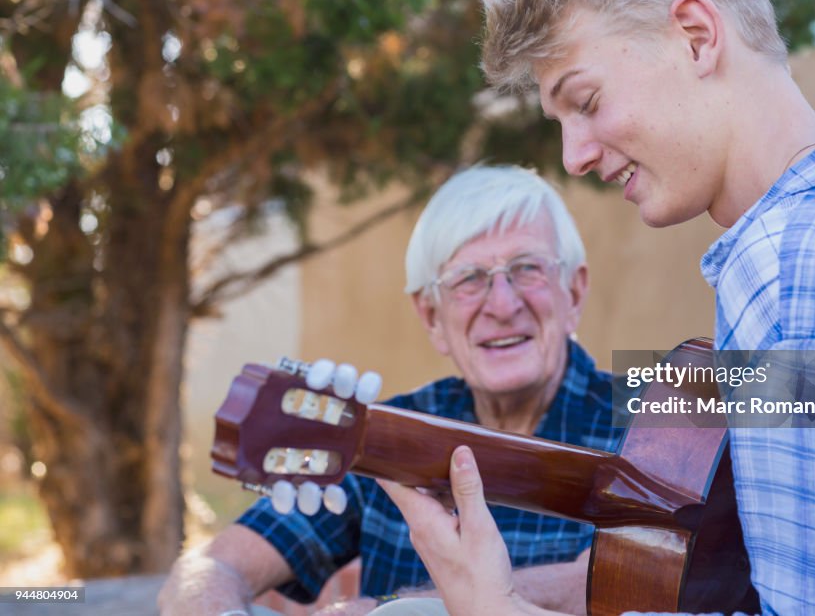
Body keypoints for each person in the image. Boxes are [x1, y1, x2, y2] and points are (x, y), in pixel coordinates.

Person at [379, 0, 815, 615]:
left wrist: (496, 607)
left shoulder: (790, 279)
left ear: (695, 36)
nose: (573, 156)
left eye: (588, 101)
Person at [158, 165, 621, 616]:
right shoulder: (380, 431)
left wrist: (399, 610)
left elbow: (629, 581)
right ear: (432, 318)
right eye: (468, 279)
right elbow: (211, 565)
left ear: (574, 293)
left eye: (528, 268)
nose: (502, 304)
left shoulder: (662, 406)